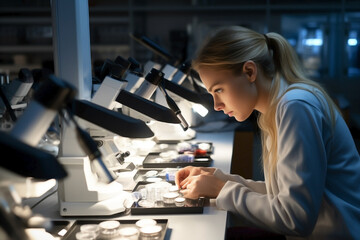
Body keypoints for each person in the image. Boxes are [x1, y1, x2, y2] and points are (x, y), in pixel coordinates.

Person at [175, 25, 360, 239]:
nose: (216, 105)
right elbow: (283, 195)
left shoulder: (295, 107)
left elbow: (295, 217)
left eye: (219, 89)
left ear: (250, 72)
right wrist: (220, 180)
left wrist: (220, 189)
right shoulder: (277, 108)